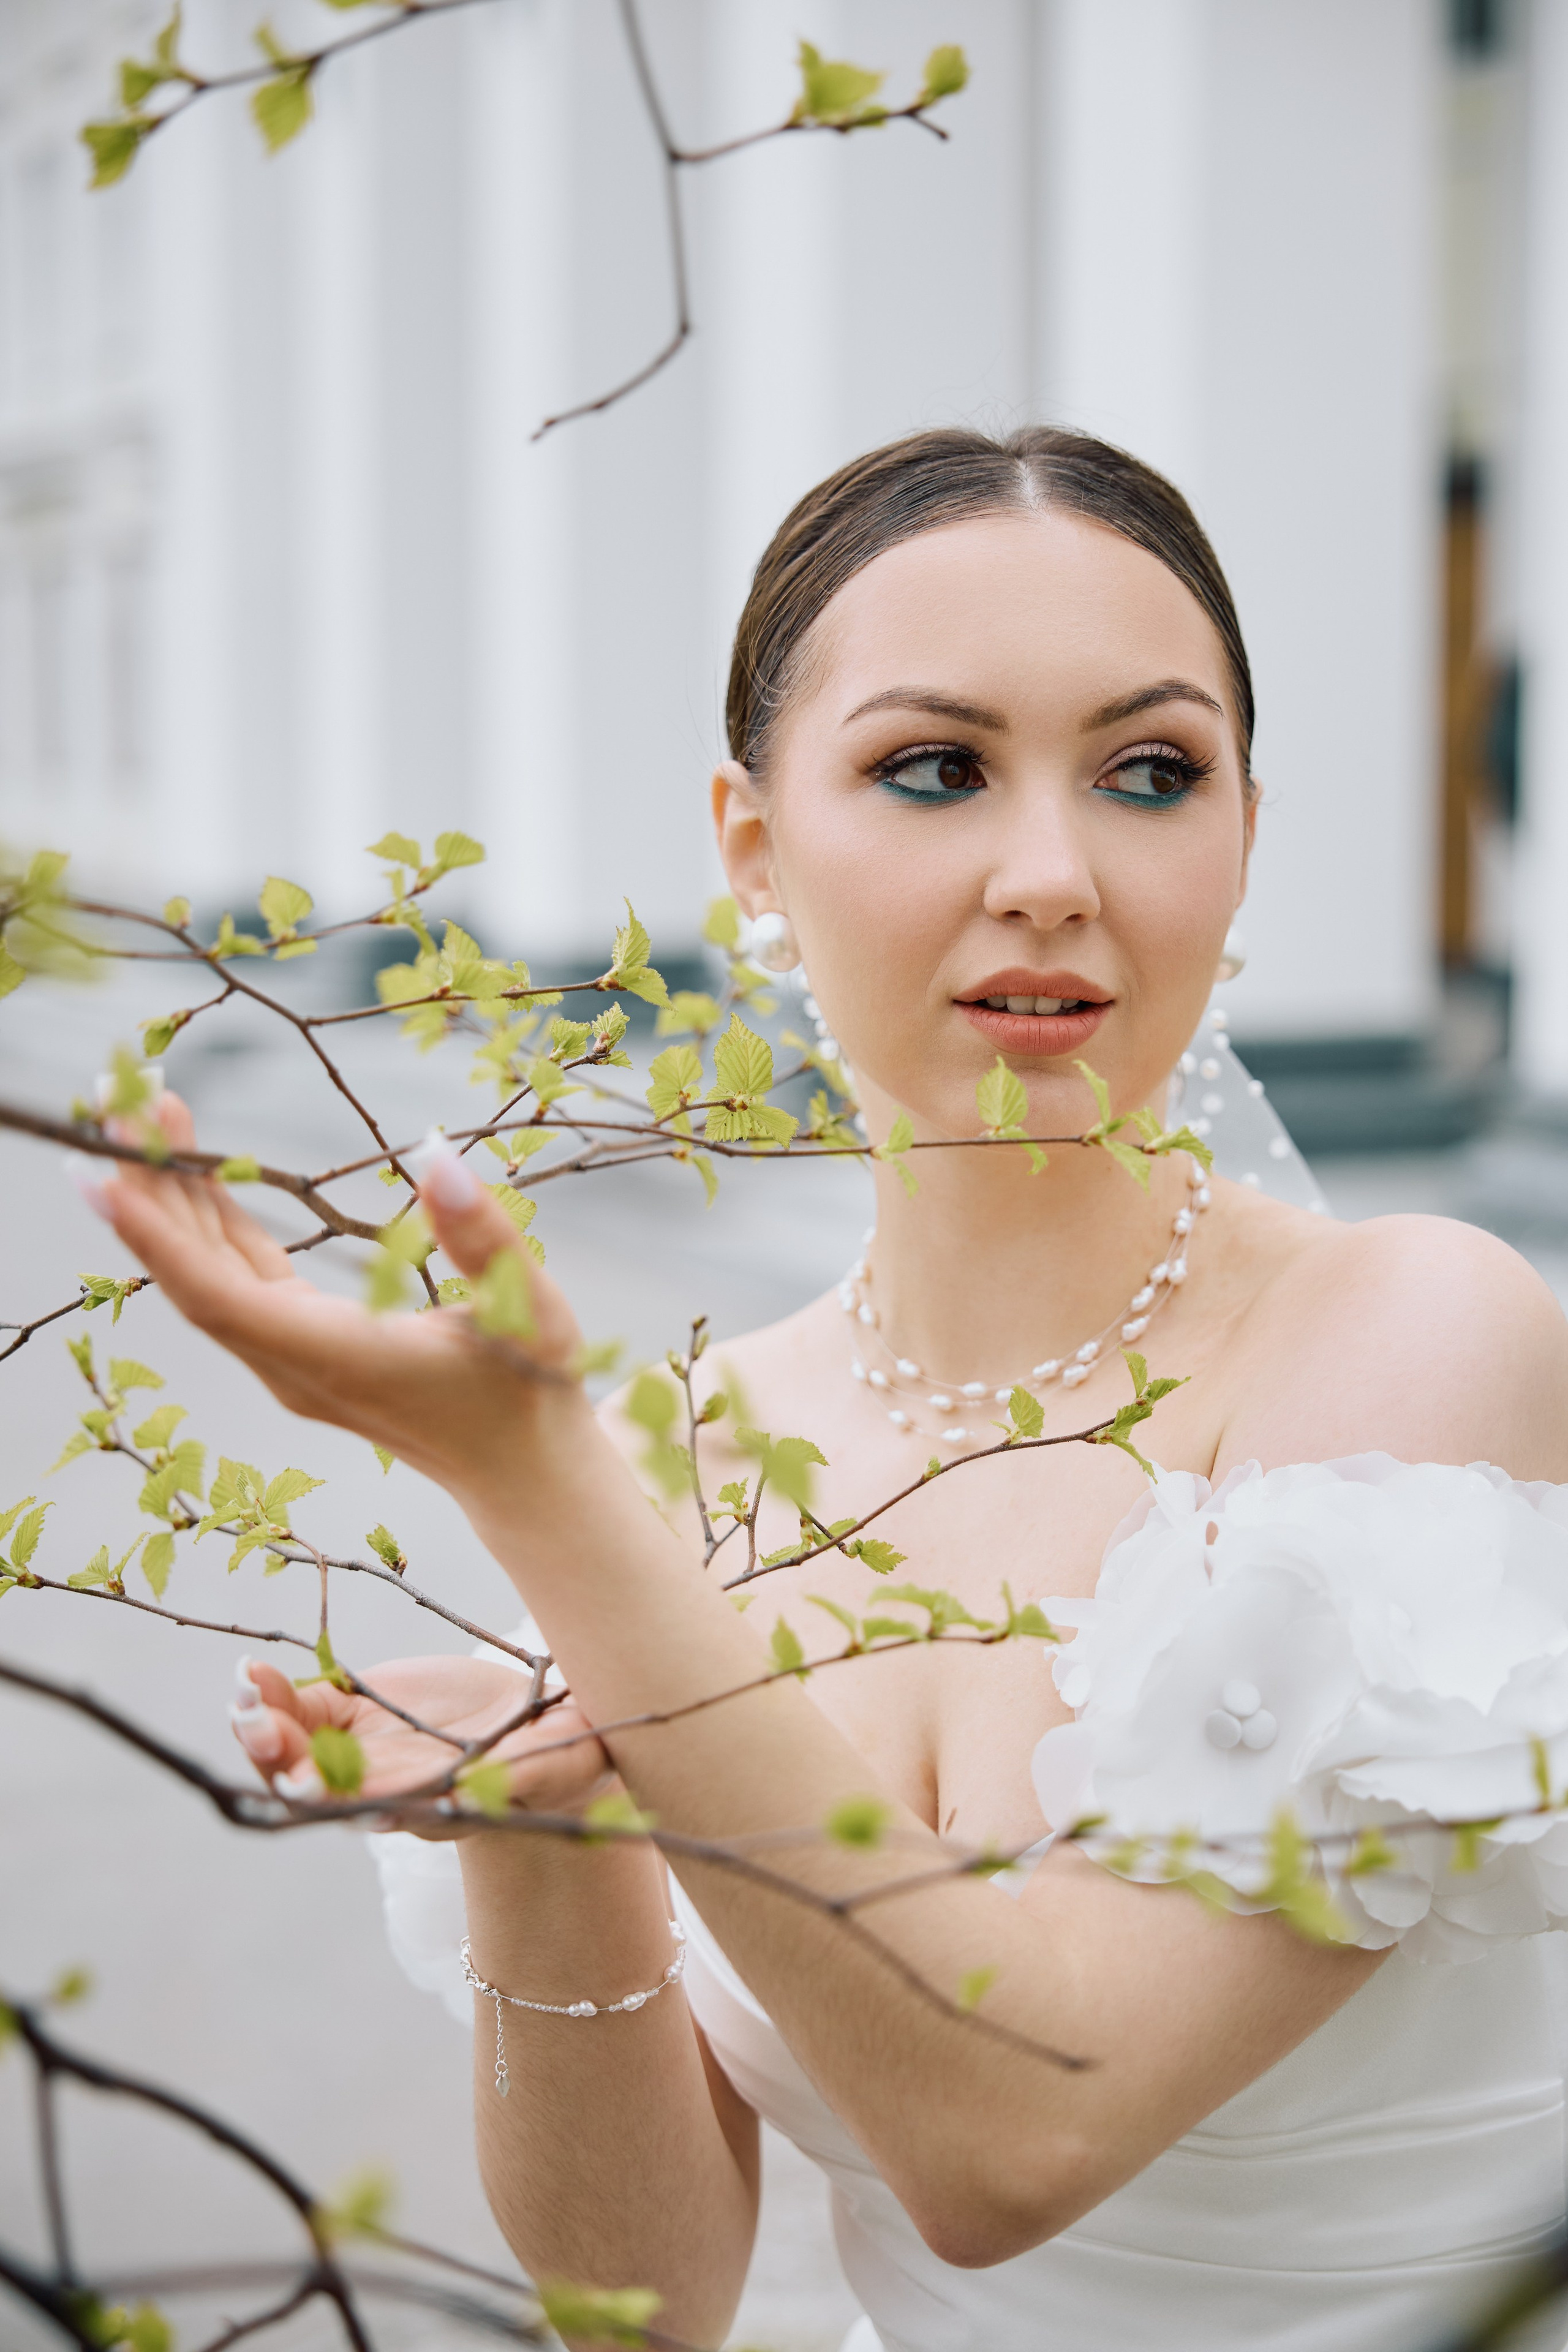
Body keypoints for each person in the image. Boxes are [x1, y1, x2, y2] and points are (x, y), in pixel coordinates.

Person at [80, 428, 1568, 2352]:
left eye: (1150, 774)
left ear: (1246, 836)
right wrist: (558, 1841)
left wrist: (542, 1501)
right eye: (934, 770)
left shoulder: (1419, 1342)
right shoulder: (679, 1457)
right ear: (755, 853)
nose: (1051, 873)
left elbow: (1013, 2151)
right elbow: (646, 2298)